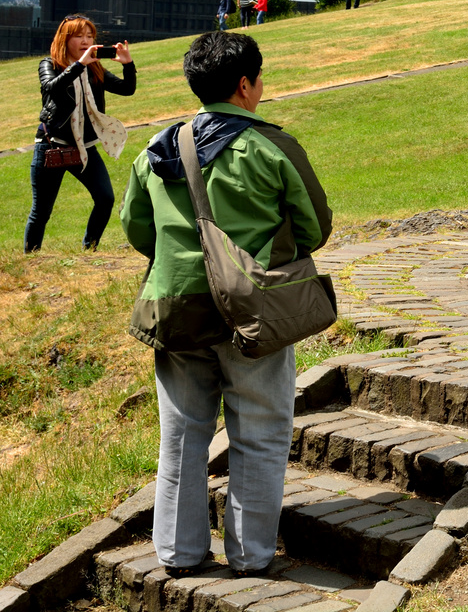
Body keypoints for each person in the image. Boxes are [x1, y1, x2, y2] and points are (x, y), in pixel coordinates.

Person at [121, 31, 332, 576]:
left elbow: (137, 230)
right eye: (259, 78)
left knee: (182, 436)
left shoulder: (155, 150)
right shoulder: (271, 146)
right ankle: (251, 556)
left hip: (172, 307)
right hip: (252, 311)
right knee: (259, 434)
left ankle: (178, 553)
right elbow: (315, 227)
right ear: (245, 84)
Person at [25, 17, 135, 252]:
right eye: (79, 36)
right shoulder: (50, 64)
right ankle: (30, 259)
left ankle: (89, 248)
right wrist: (79, 65)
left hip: (84, 146)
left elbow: (127, 89)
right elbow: (50, 88)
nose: (86, 41)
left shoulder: (95, 68)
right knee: (41, 211)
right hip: (51, 146)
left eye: (89, 36)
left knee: (105, 199)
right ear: (65, 39)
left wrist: (128, 64)